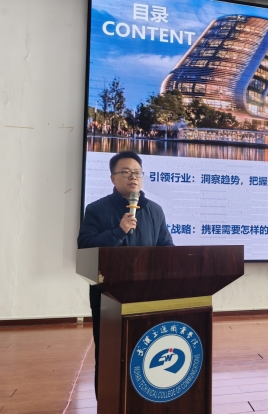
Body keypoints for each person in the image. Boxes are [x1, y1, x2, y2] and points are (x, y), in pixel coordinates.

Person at [77, 150, 174, 398]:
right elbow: (85, 246)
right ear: (113, 178)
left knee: (146, 352)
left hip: (147, 293)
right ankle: (108, 402)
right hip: (108, 294)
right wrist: (118, 232)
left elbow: (166, 249)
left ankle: (143, 401)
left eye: (137, 172)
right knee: (110, 351)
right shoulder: (97, 209)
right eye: (126, 172)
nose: (133, 177)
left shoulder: (154, 210)